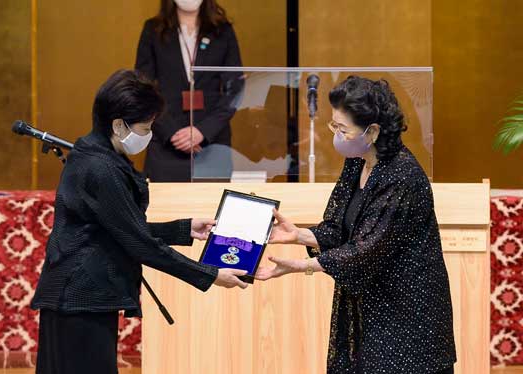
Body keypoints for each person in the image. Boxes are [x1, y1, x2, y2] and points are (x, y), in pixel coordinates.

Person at [31, 69, 247, 374]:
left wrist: (183, 229)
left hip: (77, 296)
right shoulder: (100, 168)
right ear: (119, 125)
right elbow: (138, 242)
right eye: (145, 127)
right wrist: (210, 274)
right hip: (79, 298)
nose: (149, 134)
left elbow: (118, 229)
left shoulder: (95, 154)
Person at [256, 76, 456, 374]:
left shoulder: (401, 176)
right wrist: (300, 235)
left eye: (342, 128)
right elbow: (339, 228)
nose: (335, 134)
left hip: (407, 318)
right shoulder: (359, 159)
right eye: (333, 125)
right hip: (370, 309)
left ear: (372, 131)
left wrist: (302, 267)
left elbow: (365, 250)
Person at [135, 0, 243, 182]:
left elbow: (235, 88)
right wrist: (173, 133)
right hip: (166, 142)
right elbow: (143, 88)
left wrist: (203, 131)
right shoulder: (153, 30)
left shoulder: (222, 31)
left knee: (211, 206)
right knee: (168, 207)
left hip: (212, 142)